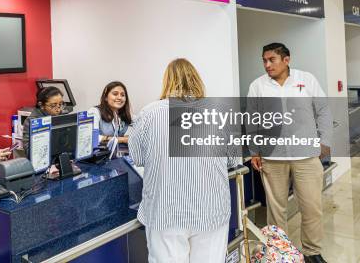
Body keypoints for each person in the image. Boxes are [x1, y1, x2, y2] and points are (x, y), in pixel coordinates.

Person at [129, 58, 240, 263]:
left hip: (166, 211)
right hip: (211, 211)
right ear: (197, 80)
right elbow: (232, 158)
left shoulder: (149, 113)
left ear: (167, 81)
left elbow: (137, 158)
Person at [247, 43, 332, 263]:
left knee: (311, 207)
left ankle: (312, 252)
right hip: (272, 158)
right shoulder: (258, 86)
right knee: (276, 211)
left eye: (271, 60)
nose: (267, 65)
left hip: (306, 155)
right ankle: (279, 252)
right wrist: (254, 150)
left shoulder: (307, 80)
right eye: (264, 60)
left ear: (286, 60)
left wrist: (325, 141)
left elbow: (323, 109)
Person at [20, 86, 65, 157]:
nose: (58, 109)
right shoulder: (32, 121)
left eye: (60, 104)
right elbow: (29, 152)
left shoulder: (62, 115)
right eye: (53, 105)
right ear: (41, 105)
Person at [88, 81, 133, 145]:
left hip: (115, 153)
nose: (119, 98)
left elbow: (143, 122)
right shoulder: (94, 112)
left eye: (123, 95)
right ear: (106, 97)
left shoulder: (123, 114)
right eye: (115, 94)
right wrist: (122, 139)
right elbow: (92, 138)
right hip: (98, 153)